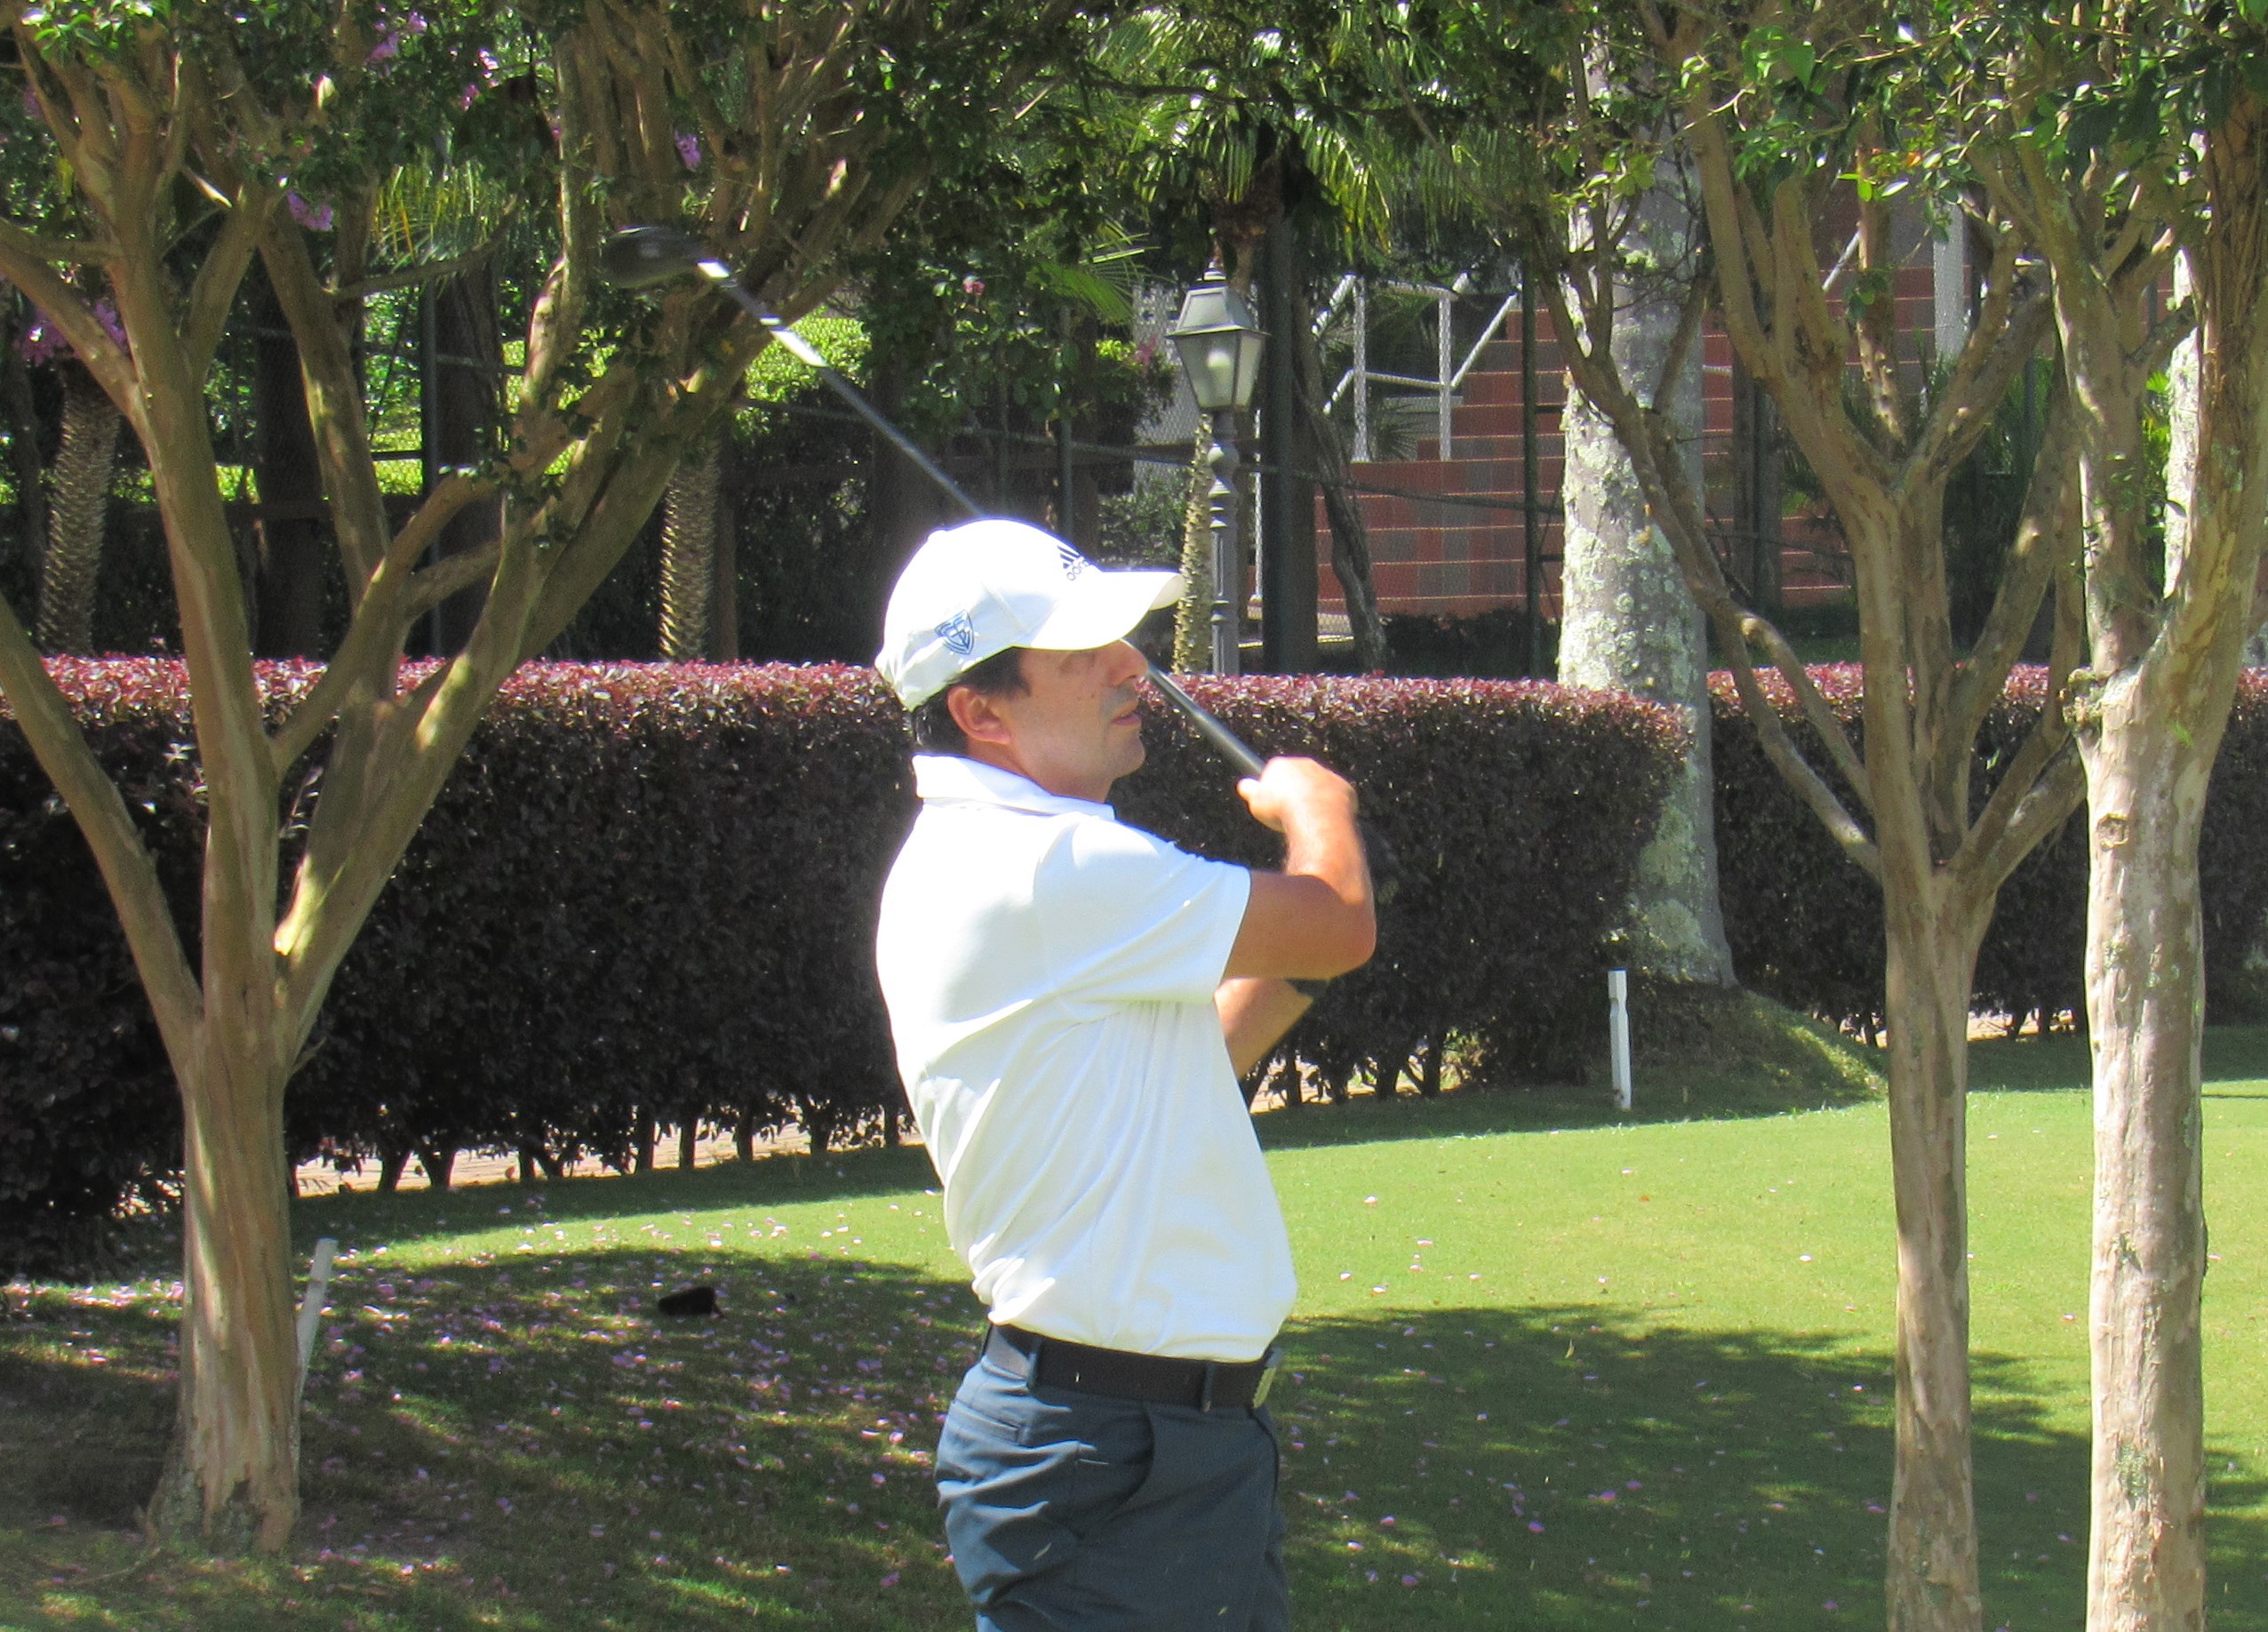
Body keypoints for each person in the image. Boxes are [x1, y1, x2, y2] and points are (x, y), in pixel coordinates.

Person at [872, 517, 1375, 1631]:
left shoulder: (1006, 855)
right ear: (981, 711)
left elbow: (1196, 1060)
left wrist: (1301, 956)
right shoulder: (1049, 864)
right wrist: (1320, 817)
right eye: (1080, 653)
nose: (1128, 666)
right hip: (1111, 1451)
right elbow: (1337, 920)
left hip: (1157, 1443)